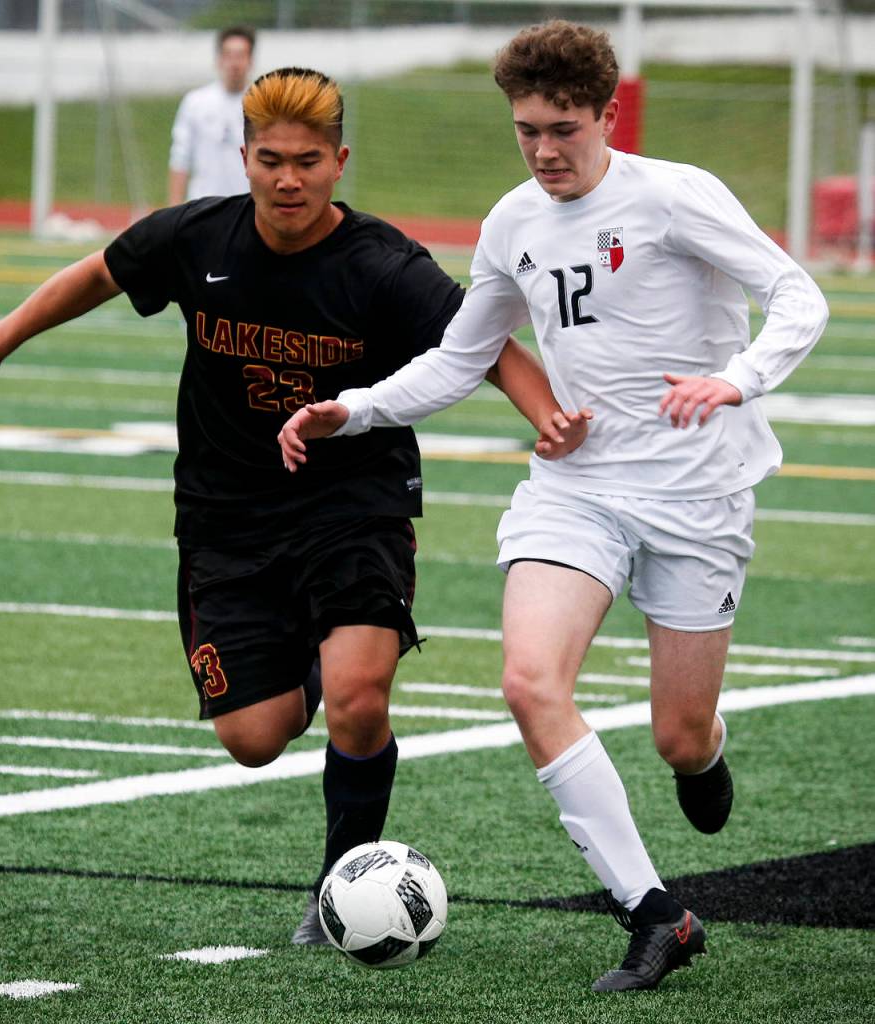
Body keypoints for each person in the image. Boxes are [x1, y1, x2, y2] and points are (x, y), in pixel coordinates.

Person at [0, 67, 577, 946]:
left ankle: (340, 887)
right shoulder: (196, 236)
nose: (289, 179)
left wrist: (548, 415)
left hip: (350, 504)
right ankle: (322, 657)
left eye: (309, 161)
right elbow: (99, 271)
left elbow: (482, 339)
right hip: (225, 515)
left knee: (361, 698)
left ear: (339, 162)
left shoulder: (382, 264)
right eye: (272, 160)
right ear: (243, 158)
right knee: (255, 735)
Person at [278, 21, 829, 990]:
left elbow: (796, 296)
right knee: (530, 681)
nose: (542, 150)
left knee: (677, 731)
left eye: (562, 129)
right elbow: (461, 353)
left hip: (697, 495)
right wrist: (353, 411)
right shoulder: (511, 221)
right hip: (574, 491)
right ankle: (654, 912)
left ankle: (700, 757)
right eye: (526, 129)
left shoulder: (670, 195)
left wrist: (734, 380)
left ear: (605, 116)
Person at [168, 25, 255, 204]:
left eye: (240, 56)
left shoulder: (262, 103)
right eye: (229, 55)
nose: (234, 63)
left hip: (247, 207)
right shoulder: (195, 102)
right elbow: (180, 158)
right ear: (218, 60)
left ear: (250, 60)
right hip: (203, 206)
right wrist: (173, 210)